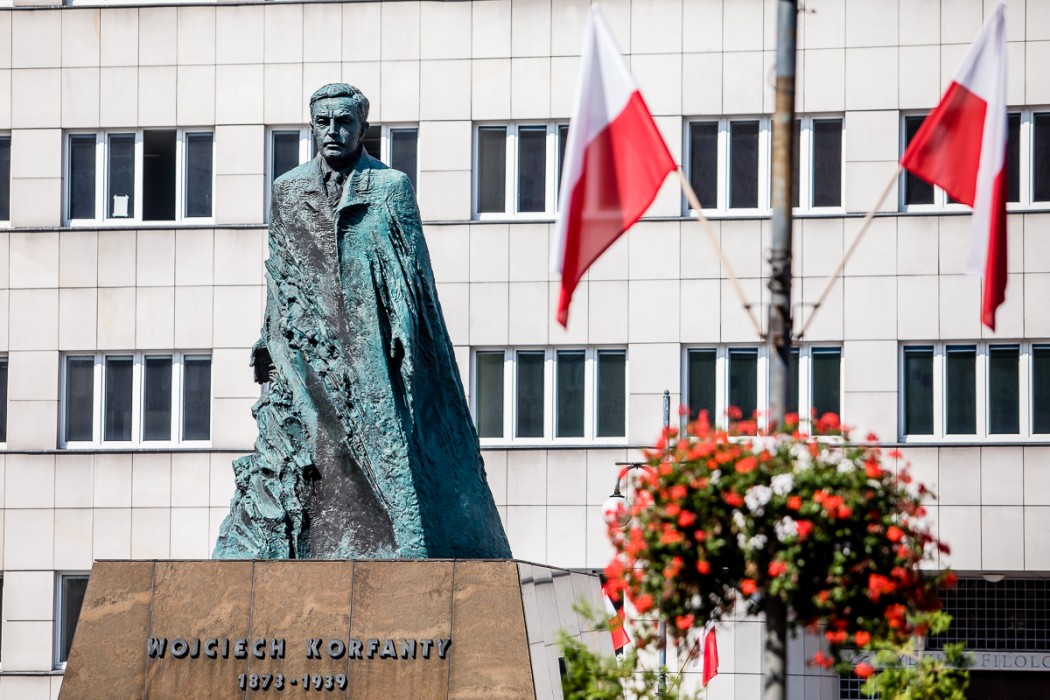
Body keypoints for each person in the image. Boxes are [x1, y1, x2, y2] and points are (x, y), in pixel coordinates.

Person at [213, 83, 511, 560]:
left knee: (386, 448)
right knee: (311, 443)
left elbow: (415, 273)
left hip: (371, 342)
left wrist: (405, 331)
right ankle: (306, 541)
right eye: (323, 122)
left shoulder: (390, 186)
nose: (333, 131)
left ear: (362, 128)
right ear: (312, 126)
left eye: (344, 122)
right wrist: (266, 335)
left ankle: (407, 544)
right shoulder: (287, 190)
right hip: (308, 339)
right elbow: (279, 268)